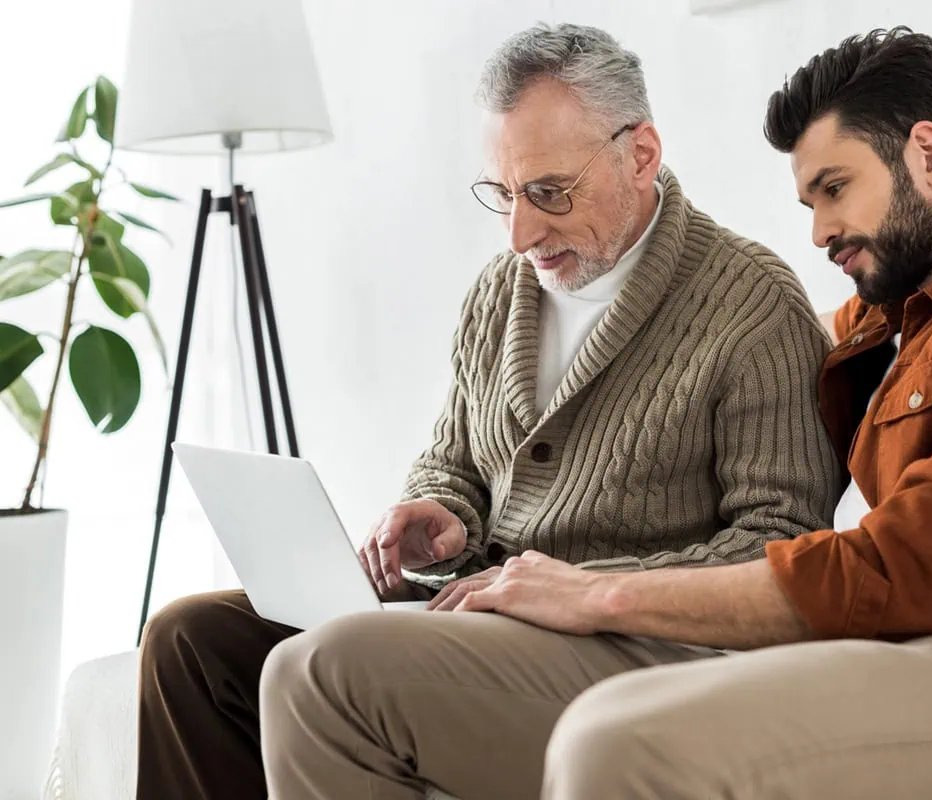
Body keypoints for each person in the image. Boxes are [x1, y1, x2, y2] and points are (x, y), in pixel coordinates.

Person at [259, 26, 932, 800]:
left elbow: (913, 567)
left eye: (835, 189)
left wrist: (599, 593)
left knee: (615, 743)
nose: (818, 230)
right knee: (244, 650)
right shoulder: (884, 325)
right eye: (808, 200)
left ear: (927, 152)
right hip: (914, 649)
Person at [135, 22, 839, 800]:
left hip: (634, 645)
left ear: (640, 154)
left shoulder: (753, 308)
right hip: (478, 607)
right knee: (187, 641)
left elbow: (785, 552)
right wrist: (439, 508)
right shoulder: (502, 294)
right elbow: (456, 457)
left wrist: (580, 588)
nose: (520, 234)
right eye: (502, 195)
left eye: (548, 193)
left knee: (326, 666)